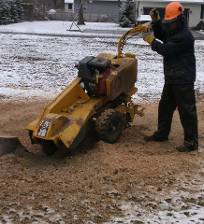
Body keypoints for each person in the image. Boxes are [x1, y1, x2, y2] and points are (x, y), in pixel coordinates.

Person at [142, 1, 198, 152]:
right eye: (168, 22)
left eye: (171, 22)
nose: (170, 25)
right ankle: (162, 134)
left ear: (180, 20)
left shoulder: (185, 37)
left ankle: (191, 142)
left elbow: (166, 49)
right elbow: (162, 34)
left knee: (186, 110)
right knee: (165, 107)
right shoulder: (173, 32)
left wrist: (152, 41)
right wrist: (156, 22)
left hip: (183, 78)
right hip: (172, 77)